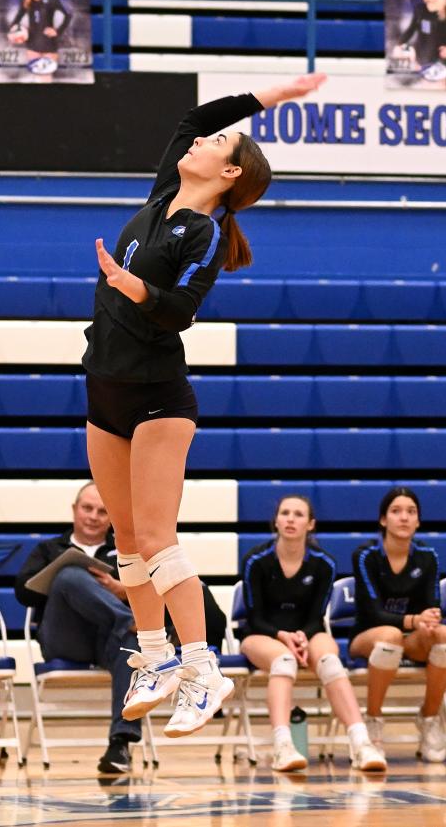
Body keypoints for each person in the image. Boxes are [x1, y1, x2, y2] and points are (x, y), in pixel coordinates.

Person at [83, 73, 327, 739]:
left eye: (216, 142)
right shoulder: (165, 190)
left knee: (159, 538)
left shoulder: (205, 234)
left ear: (227, 173)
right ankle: (155, 657)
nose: (198, 140)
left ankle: (203, 667)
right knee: (125, 541)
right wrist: (271, 99)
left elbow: (180, 313)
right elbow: (196, 112)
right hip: (102, 386)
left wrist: (135, 288)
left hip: (158, 396)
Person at [238, 495, 387, 773]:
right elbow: (254, 617)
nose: (291, 519)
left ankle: (362, 743)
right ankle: (283, 746)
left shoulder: (324, 563)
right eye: (285, 513)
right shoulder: (256, 560)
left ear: (311, 524)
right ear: (276, 520)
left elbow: (316, 616)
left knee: (330, 661)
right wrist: (284, 636)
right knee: (284, 661)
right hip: (262, 634)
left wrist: (302, 637)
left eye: (298, 514)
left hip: (308, 631)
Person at [13, 481, 140, 775]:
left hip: (109, 640)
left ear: (112, 518)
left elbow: (152, 594)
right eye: (87, 508)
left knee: (131, 645)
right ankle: (125, 619)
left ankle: (120, 745)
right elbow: (23, 593)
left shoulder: (125, 551)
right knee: (69, 574)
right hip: (65, 637)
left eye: (102, 511)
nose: (93, 516)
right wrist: (58, 583)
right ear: (74, 510)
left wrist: (121, 590)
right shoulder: (49, 549)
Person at [349, 487, 446, 762]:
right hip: (367, 635)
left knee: (445, 635)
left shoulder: (427, 556)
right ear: (383, 520)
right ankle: (373, 718)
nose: (404, 518)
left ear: (418, 521)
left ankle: (430, 718)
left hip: (411, 637)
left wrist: (430, 620)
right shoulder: (366, 556)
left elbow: (432, 604)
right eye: (396, 511)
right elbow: (372, 612)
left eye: (411, 512)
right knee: (389, 635)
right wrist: (413, 620)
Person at [7, 0, 66, 79]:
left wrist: (57, 31)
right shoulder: (27, 0)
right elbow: (17, 19)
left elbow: (68, 16)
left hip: (49, 43)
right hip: (32, 43)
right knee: (35, 80)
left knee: (46, 78)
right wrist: (13, 32)